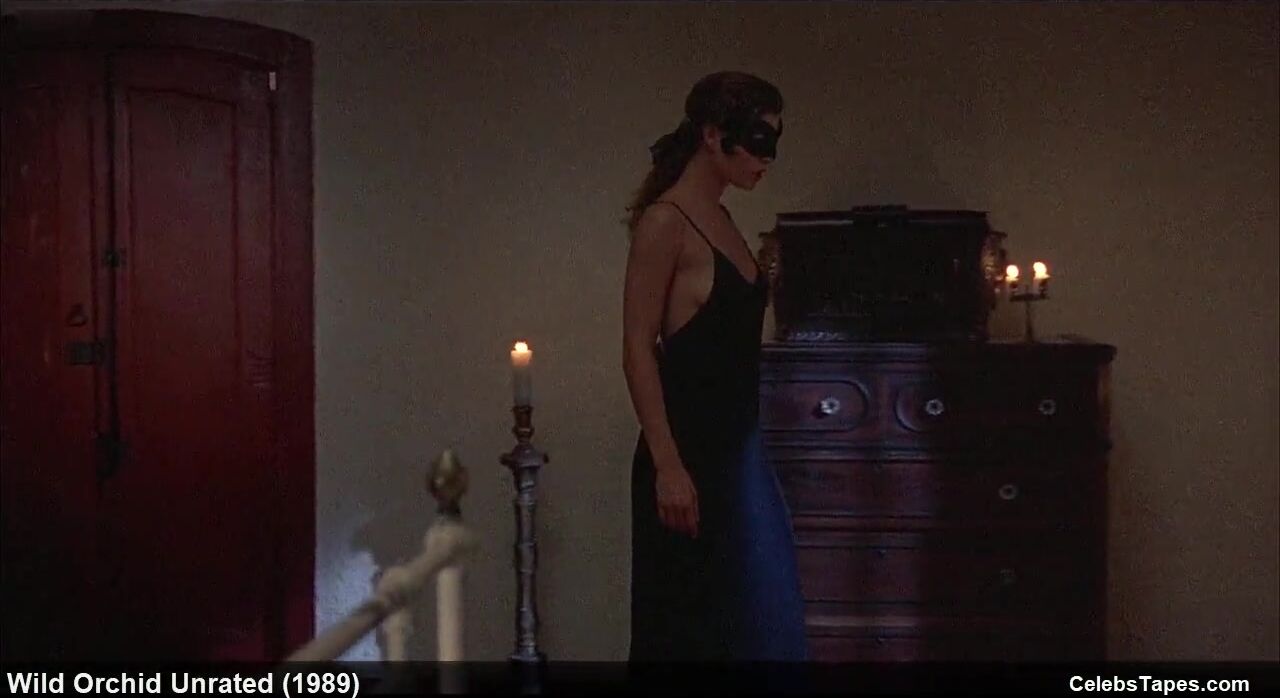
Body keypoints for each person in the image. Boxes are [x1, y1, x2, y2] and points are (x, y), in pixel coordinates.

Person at [621, 71, 808, 662]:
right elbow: (636, 346)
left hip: (739, 455)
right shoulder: (667, 222)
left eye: (773, 141)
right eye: (757, 140)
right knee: (694, 635)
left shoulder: (722, 221)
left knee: (762, 624)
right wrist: (668, 466)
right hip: (689, 461)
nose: (766, 158)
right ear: (711, 135)